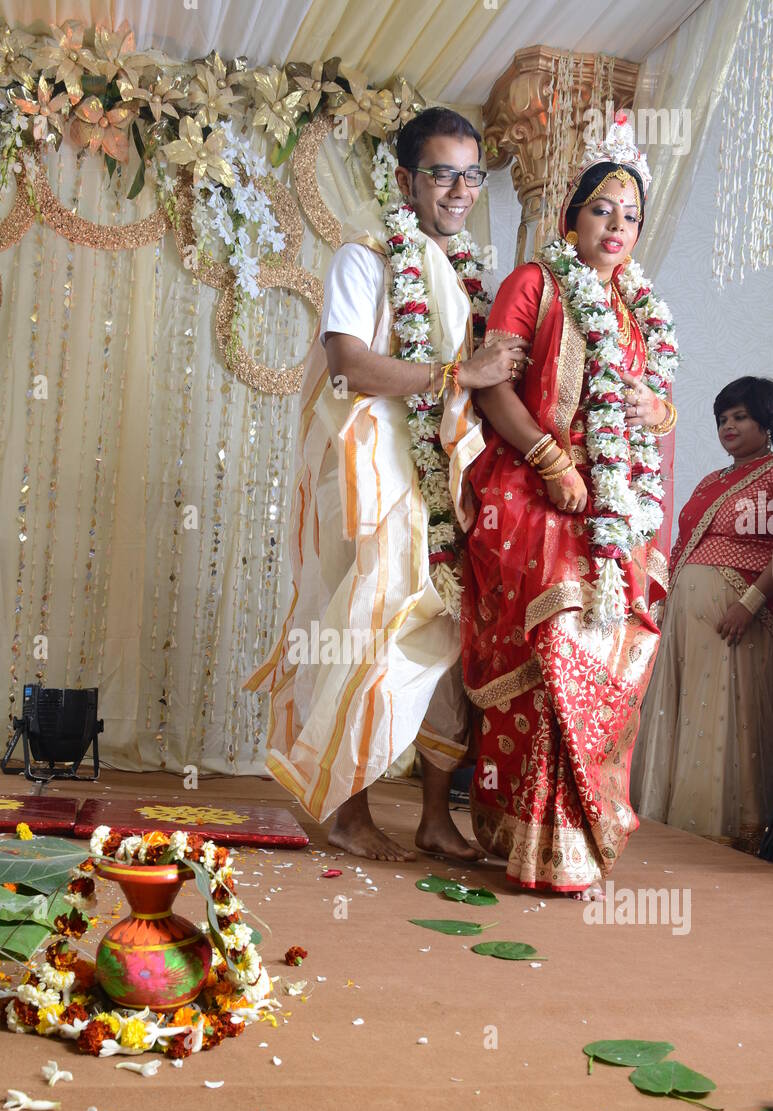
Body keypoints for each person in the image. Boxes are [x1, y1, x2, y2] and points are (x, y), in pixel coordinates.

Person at [245, 107, 525, 861]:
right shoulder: (365, 259)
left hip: (446, 480)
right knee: (372, 630)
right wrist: (456, 372)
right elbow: (349, 364)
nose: (460, 190)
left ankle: (435, 818)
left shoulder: (466, 278)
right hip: (373, 479)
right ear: (405, 179)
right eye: (443, 173)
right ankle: (347, 810)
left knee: (449, 636)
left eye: (471, 175)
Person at [458, 118, 678, 897]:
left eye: (629, 216)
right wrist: (549, 459)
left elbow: (650, 407)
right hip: (532, 493)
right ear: (568, 219)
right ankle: (527, 838)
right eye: (601, 210)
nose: (616, 227)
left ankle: (576, 841)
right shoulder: (534, 284)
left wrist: (660, 412)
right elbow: (490, 385)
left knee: (601, 661)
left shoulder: (637, 308)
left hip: (611, 512)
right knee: (551, 655)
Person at [632, 377, 773, 852]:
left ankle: (721, 831)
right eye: (722, 419)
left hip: (735, 619)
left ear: (765, 422)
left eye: (740, 417)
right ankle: (667, 821)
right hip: (686, 620)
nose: (728, 427)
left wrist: (749, 604)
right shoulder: (712, 481)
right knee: (683, 710)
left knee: (719, 719)